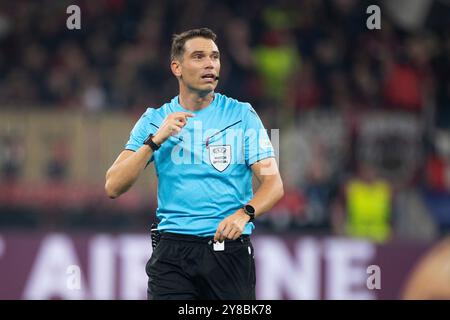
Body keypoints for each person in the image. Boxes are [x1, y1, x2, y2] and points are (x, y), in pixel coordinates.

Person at [105, 28, 284, 300]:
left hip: (228, 252)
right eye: (199, 57)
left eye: (214, 57)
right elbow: (113, 185)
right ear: (176, 67)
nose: (210, 63)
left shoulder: (242, 115)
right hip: (172, 255)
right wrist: (155, 141)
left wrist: (245, 213)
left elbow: (274, 184)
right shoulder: (154, 120)